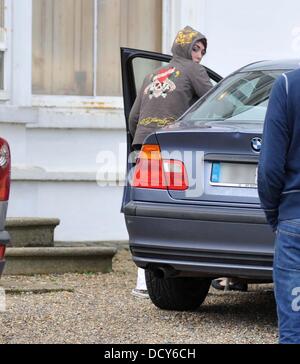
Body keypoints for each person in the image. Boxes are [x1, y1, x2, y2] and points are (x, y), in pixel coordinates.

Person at [129, 25, 213, 298]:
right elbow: (215, 103)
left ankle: (144, 281)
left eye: (201, 50)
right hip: (174, 147)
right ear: (185, 49)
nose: (199, 55)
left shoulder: (152, 74)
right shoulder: (194, 71)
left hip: (144, 145)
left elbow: (133, 117)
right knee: (184, 208)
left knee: (148, 209)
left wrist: (143, 137)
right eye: (195, 49)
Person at [258, 69, 300, 344]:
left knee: (293, 332)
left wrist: (275, 215)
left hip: (295, 221)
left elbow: (270, 168)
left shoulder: (287, 86)